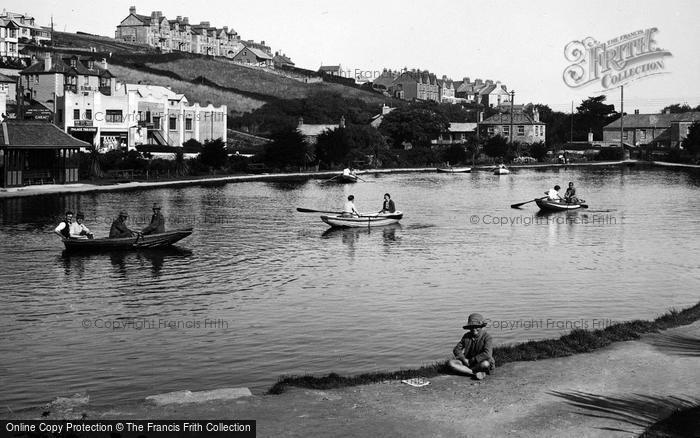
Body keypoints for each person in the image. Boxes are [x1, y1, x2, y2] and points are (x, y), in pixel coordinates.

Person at [448, 313, 495, 380]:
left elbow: (487, 354)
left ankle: (466, 371)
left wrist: (473, 360)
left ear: (481, 326)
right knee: (451, 363)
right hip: (468, 362)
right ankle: (474, 373)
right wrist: (464, 359)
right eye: (472, 326)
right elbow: (456, 349)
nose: (474, 329)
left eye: (476, 326)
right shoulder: (466, 336)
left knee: (485, 364)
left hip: (481, 362)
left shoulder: (487, 337)